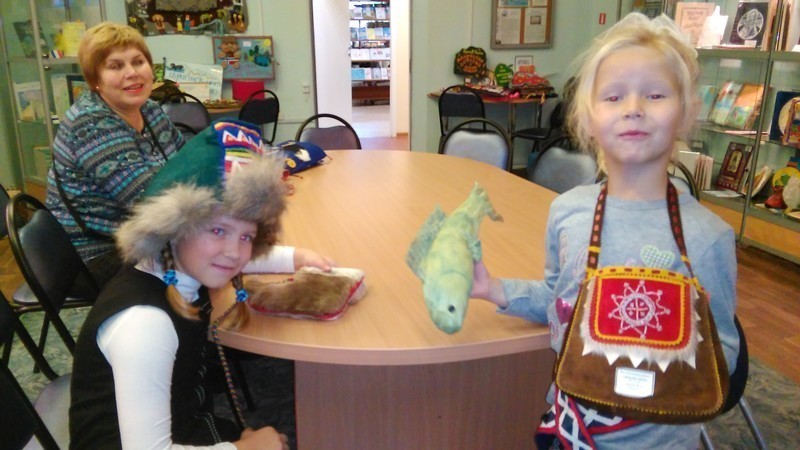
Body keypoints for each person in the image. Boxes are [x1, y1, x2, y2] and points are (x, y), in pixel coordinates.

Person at [470, 13, 739, 448]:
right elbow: (560, 301)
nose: (633, 108)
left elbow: (722, 352)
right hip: (570, 429)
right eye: (613, 96)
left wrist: (654, 363)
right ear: (589, 119)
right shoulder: (568, 212)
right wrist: (494, 288)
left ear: (685, 113)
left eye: (655, 94)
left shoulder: (708, 237)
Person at [69, 120, 332, 449]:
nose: (234, 252)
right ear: (175, 225)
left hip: (183, 420)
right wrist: (243, 448)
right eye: (218, 230)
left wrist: (297, 257)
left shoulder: (173, 264)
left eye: (247, 236)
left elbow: (230, 256)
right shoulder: (146, 323)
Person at [45, 22, 185, 287]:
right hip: (94, 253)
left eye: (138, 61)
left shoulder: (150, 110)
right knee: (210, 260)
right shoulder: (90, 123)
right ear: (94, 80)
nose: (132, 73)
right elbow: (149, 201)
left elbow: (188, 162)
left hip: (143, 235)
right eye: (115, 66)